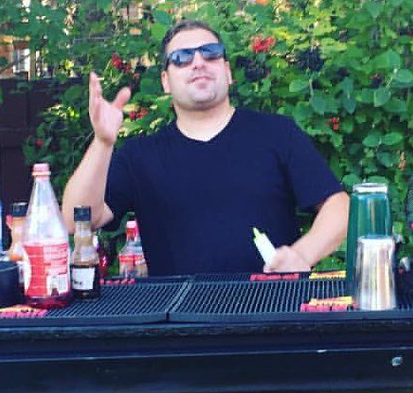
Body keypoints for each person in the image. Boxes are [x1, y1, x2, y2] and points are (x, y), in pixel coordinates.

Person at [61, 19, 349, 274]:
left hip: (275, 308)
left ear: (227, 72)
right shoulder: (140, 155)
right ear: (165, 81)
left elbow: (338, 206)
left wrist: (301, 255)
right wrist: (102, 142)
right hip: (178, 315)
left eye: (210, 53)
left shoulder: (277, 133)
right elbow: (77, 220)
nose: (198, 62)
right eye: (181, 58)